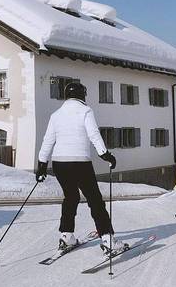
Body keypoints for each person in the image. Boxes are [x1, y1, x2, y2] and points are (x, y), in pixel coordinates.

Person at [36, 82, 125, 254]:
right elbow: (94, 134)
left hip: (59, 163)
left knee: (71, 197)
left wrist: (41, 165)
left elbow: (48, 140)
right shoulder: (86, 111)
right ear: (82, 95)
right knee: (95, 200)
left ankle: (66, 236)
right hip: (80, 162)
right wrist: (105, 154)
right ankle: (107, 239)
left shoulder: (56, 115)